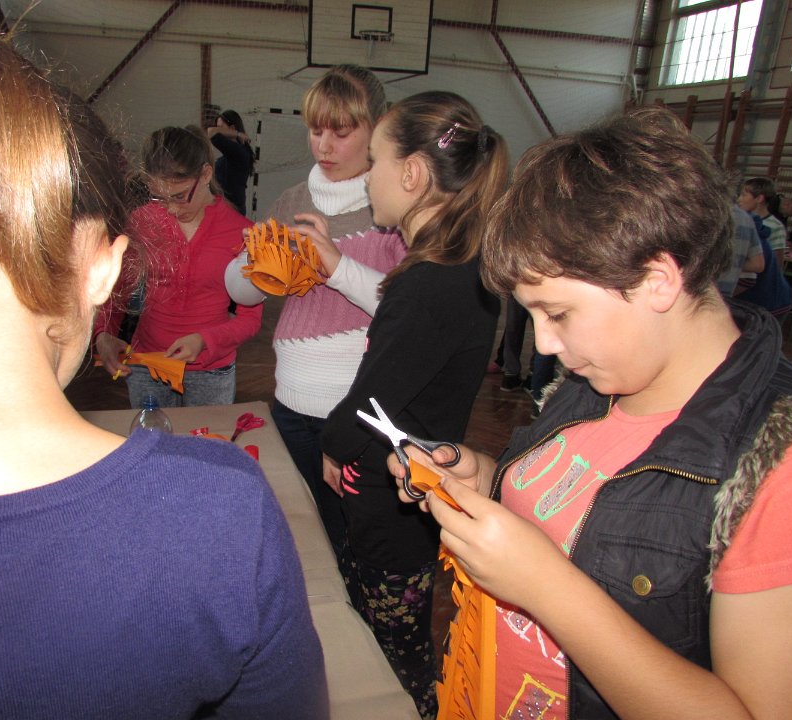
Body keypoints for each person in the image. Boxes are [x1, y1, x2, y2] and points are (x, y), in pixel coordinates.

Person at [0, 21, 327, 719]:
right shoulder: (221, 513)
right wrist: (107, 335)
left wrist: (203, 337)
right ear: (104, 264)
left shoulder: (235, 234)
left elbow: (243, 310)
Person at [394, 107, 792, 719]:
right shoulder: (601, 379)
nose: (545, 343)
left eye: (557, 313)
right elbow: (578, 505)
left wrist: (546, 588)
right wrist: (482, 479)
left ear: (657, 280)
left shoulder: (782, 469)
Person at [306, 91, 503, 718]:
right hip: (402, 486)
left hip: (394, 501)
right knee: (383, 632)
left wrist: (333, 444)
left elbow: (372, 397)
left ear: (412, 174)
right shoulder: (449, 269)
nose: (368, 177)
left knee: (394, 652)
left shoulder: (431, 283)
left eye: (376, 162)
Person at [258, 65, 407, 553]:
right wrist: (252, 267)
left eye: (341, 133)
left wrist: (336, 264)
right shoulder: (291, 200)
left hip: (354, 416)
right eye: (316, 130)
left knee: (351, 542)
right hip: (289, 403)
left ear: (377, 129)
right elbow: (245, 295)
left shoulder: (393, 209)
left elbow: (406, 309)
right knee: (302, 535)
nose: (324, 146)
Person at [95, 126, 263, 408]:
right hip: (147, 365)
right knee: (153, 436)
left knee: (207, 436)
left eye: (179, 195)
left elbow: (251, 319)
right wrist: (104, 332)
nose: (171, 209)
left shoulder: (243, 233)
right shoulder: (142, 222)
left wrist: (205, 340)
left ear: (206, 175)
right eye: (159, 197)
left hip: (210, 371)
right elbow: (117, 288)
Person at [207, 109, 255, 215]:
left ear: (232, 128)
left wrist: (237, 134)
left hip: (232, 211)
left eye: (221, 128)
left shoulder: (240, 152)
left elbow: (211, 132)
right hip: (224, 210)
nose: (218, 131)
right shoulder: (228, 156)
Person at [716, 204, 764, 296]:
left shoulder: (702, 212)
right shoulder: (745, 218)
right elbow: (758, 264)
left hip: (699, 293)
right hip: (724, 293)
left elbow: (758, 265)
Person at [738, 176, 788, 265]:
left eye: (743, 195)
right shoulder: (739, 219)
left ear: (759, 198)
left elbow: (777, 263)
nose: (739, 199)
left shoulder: (776, 226)